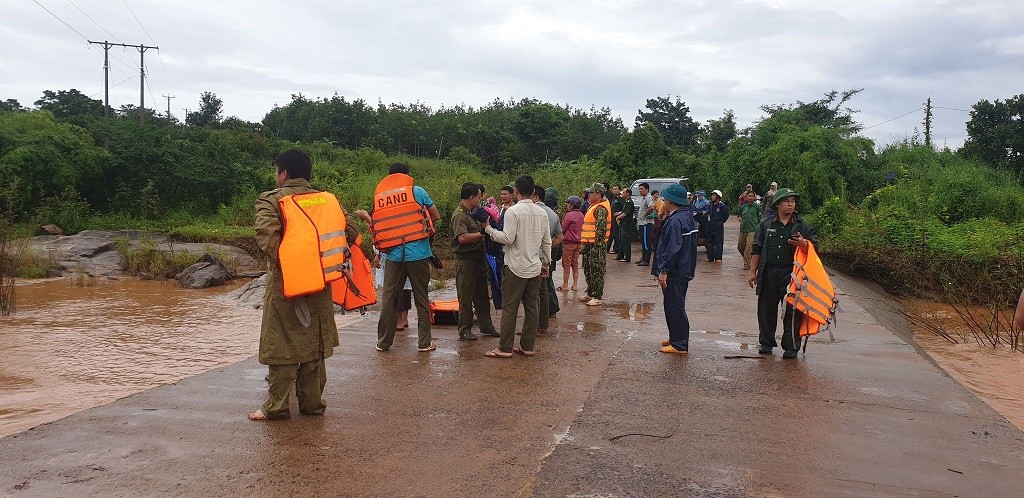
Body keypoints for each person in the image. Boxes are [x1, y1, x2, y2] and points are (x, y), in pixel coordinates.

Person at [249, 148, 339, 421]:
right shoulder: (328, 200)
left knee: (282, 344)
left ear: (283, 173)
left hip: (287, 285)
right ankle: (312, 404)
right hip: (322, 283)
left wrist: (297, 265)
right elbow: (349, 231)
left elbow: (268, 241)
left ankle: (276, 407)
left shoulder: (271, 200)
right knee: (315, 344)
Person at [370, 162, 441, 353]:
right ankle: (424, 343)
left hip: (393, 255)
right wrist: (419, 228)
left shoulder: (380, 197)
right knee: (421, 298)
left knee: (389, 298)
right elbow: (435, 215)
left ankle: (383, 343)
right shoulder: (416, 191)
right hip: (417, 254)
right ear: (407, 175)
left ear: (389, 177)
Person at [482, 175, 551, 358]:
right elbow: (547, 242)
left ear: (517, 192)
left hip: (515, 267)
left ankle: (504, 348)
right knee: (532, 307)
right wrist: (546, 263)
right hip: (535, 266)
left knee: (510, 308)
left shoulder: (513, 212)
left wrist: (488, 229)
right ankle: (527, 346)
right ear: (534, 192)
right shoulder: (542, 213)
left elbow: (507, 238)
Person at [747, 188, 820, 359]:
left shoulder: (802, 225)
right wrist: (752, 272)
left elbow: (815, 247)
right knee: (766, 310)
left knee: (792, 312)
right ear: (777, 204)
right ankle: (766, 343)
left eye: (793, 201)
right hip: (769, 272)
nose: (790, 204)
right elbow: (756, 248)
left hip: (792, 274)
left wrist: (803, 244)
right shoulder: (766, 224)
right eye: (786, 201)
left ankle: (791, 347)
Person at [652, 184, 699, 354]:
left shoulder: (675, 221)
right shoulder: (685, 216)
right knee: (673, 304)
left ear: (670, 201)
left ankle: (680, 343)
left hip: (676, 272)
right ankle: (675, 337)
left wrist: (664, 271)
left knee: (675, 306)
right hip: (683, 269)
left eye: (664, 199)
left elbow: (672, 249)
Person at [451, 183, 498, 341]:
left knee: (482, 296)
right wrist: (483, 233)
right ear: (471, 197)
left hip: (478, 259)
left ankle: (486, 326)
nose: (480, 200)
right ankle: (465, 329)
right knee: (466, 297)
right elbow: (463, 238)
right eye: (478, 197)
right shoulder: (460, 215)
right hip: (466, 261)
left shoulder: (473, 213)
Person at [534, 185, 563, 332]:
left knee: (537, 289)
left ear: (535, 196)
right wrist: (548, 247)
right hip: (548, 255)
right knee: (547, 281)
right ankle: (550, 310)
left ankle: (541, 318)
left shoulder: (534, 212)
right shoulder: (553, 214)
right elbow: (560, 237)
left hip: (534, 257)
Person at [580, 183, 611, 306]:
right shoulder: (593, 206)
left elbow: (601, 230)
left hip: (596, 245)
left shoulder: (601, 209)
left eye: (591, 193)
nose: (588, 195)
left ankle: (597, 296)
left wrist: (597, 247)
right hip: (589, 244)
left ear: (598, 194)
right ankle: (590, 292)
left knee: (597, 270)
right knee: (588, 269)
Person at [559, 195, 584, 291]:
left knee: (566, 264)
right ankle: (575, 285)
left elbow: (563, 228)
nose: (567, 205)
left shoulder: (569, 215)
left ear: (572, 205)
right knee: (575, 263)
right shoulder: (582, 215)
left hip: (569, 243)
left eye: (568, 203)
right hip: (578, 243)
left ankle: (565, 284)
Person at [737, 191, 762, 270]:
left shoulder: (757, 207)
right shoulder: (743, 207)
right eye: (749, 196)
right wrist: (740, 218)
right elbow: (739, 215)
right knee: (740, 246)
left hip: (753, 229)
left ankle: (747, 264)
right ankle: (749, 259)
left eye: (752, 196)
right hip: (743, 228)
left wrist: (758, 228)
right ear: (746, 197)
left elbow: (759, 218)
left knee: (749, 247)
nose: (750, 198)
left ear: (754, 198)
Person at [706, 189, 729, 263]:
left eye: (714, 195)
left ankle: (718, 258)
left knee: (719, 243)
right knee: (709, 243)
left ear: (718, 197)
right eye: (712, 195)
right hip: (710, 226)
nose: (712, 197)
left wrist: (720, 222)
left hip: (718, 228)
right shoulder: (710, 205)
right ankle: (710, 257)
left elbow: (726, 215)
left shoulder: (722, 206)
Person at [636, 182, 655, 266]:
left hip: (646, 223)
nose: (640, 191)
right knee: (643, 241)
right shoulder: (645, 198)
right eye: (639, 189)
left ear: (646, 189)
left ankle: (646, 260)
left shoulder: (648, 198)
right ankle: (643, 258)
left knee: (646, 241)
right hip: (642, 223)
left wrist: (645, 214)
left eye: (641, 189)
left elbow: (652, 207)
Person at [615, 188, 635, 263]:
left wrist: (618, 218)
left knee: (625, 240)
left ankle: (627, 257)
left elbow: (625, 213)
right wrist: (619, 213)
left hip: (626, 223)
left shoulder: (630, 202)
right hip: (622, 223)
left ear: (628, 193)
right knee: (621, 239)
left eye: (624, 192)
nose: (622, 193)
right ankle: (620, 255)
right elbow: (623, 211)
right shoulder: (626, 202)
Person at [608, 184, 623, 254]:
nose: (614, 191)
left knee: (616, 233)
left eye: (616, 189)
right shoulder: (613, 199)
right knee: (612, 233)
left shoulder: (621, 199)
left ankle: (617, 248)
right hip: (612, 218)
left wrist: (619, 213)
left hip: (618, 219)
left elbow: (625, 208)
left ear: (619, 190)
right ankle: (609, 247)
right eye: (613, 189)